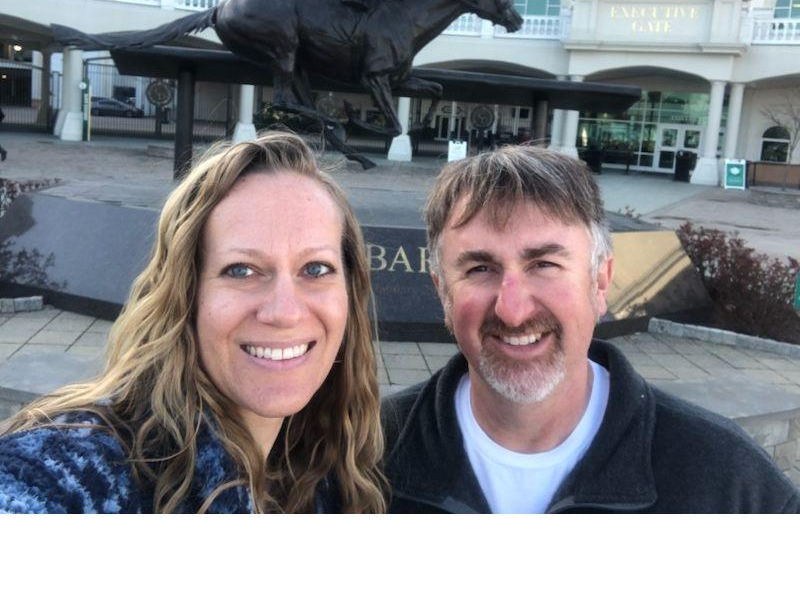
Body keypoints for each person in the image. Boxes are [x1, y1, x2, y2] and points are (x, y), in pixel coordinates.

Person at [381, 145, 800, 513]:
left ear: (600, 282)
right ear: (443, 292)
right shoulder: (360, 462)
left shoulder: (728, 481)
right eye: (480, 268)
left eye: (544, 265)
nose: (512, 310)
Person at [0, 131, 386, 513]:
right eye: (242, 270)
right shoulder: (83, 467)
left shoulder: (333, 469)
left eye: (316, 268)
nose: (284, 312)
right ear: (187, 294)